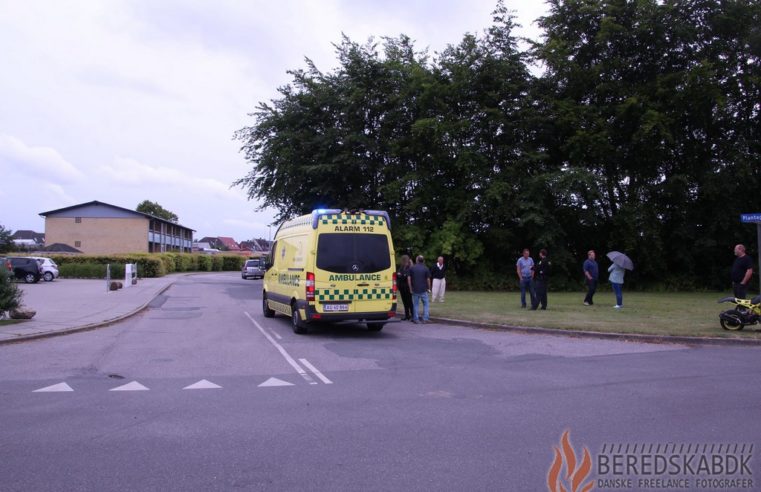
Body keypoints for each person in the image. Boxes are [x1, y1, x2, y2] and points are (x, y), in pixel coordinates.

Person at [407, 255, 432, 324]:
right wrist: (429, 288)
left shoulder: (412, 268)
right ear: (423, 260)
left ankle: (416, 319)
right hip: (423, 289)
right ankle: (425, 318)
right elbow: (428, 279)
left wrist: (410, 288)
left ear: (417, 260)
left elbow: (409, 279)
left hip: (415, 289)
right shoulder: (426, 268)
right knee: (426, 304)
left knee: (415, 304)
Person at [396, 255, 413, 320]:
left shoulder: (410, 267)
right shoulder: (402, 267)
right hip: (402, 287)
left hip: (407, 287)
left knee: (410, 302)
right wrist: (401, 275)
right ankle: (407, 315)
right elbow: (398, 274)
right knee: (405, 302)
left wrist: (401, 275)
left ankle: (412, 315)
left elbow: (405, 276)